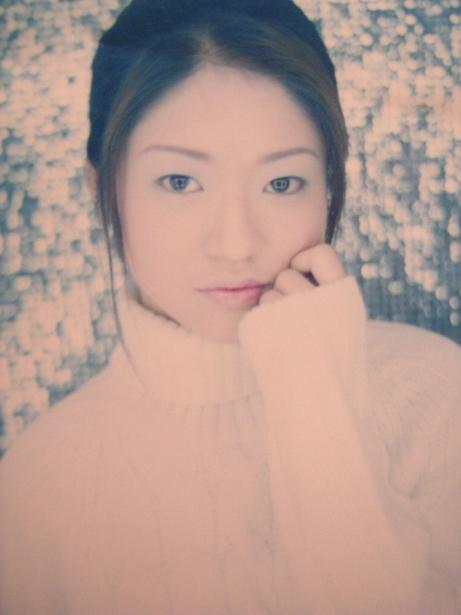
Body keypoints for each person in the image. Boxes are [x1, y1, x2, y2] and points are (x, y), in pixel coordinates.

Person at [1, 0, 460, 613]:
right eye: (180, 182)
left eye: (281, 183)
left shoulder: (434, 397)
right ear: (101, 189)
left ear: (328, 186)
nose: (237, 244)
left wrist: (319, 409)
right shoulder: (38, 490)